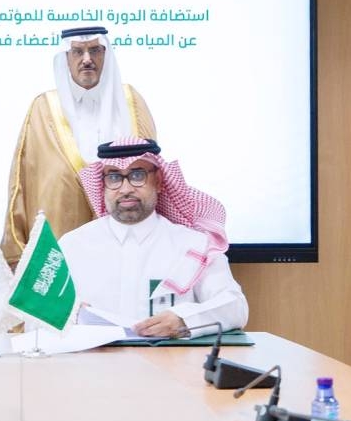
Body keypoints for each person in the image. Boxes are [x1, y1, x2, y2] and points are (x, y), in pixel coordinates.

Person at [59, 136, 248, 337]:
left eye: (137, 175)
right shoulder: (72, 245)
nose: (126, 189)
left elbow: (235, 306)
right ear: (102, 184)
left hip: (169, 358)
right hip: (96, 357)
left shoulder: (195, 244)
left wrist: (184, 320)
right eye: (114, 177)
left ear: (158, 181)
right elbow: (40, 317)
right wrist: (67, 316)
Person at [1, 26, 156, 265]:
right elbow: (20, 186)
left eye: (95, 50)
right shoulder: (43, 107)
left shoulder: (130, 103)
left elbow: (152, 174)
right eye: (77, 52)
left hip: (127, 246)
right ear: (66, 58)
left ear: (106, 54)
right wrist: (17, 258)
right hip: (59, 250)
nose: (87, 59)